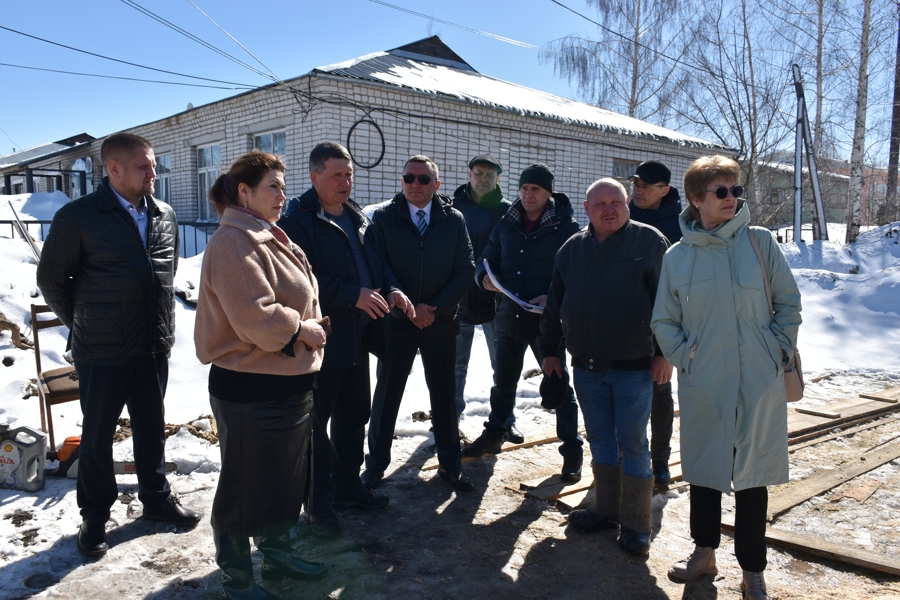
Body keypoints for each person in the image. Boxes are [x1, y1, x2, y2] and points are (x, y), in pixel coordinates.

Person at [36, 133, 200, 558]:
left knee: (151, 428)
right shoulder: (79, 216)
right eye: (145, 166)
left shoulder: (165, 213)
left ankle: (156, 498)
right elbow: (51, 280)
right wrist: (86, 323)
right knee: (97, 436)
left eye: (153, 164)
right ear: (114, 169)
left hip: (151, 345)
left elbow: (167, 269)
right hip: (102, 350)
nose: (154, 173)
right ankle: (94, 517)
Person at [651, 156, 801, 600]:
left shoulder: (760, 243)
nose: (732, 198)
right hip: (706, 379)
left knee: (753, 475)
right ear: (697, 199)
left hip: (758, 377)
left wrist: (775, 350)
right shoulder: (677, 257)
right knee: (705, 469)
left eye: (736, 190)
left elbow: (788, 304)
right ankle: (704, 554)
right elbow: (664, 319)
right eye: (721, 192)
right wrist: (687, 358)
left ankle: (753, 569)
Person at [195, 151, 328, 599]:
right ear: (244, 192)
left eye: (283, 186)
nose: (282, 195)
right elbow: (255, 316)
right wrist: (302, 329)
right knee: (244, 488)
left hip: (286, 382)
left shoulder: (267, 235)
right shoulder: (235, 242)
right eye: (273, 186)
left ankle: (276, 554)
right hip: (250, 387)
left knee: (281, 482)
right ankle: (237, 578)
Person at [540, 178, 669, 557]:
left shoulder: (649, 242)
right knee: (599, 438)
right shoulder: (571, 250)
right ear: (586, 207)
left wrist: (664, 353)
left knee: (633, 442)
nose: (608, 209)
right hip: (586, 367)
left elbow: (669, 304)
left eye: (616, 202)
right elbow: (554, 305)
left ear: (628, 204)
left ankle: (636, 524)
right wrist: (550, 351)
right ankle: (605, 508)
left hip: (634, 367)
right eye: (600, 204)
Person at [278, 142, 390, 538]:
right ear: (314, 178)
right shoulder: (297, 220)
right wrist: (352, 294)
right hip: (322, 342)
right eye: (336, 175)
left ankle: (348, 487)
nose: (346, 182)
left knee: (354, 418)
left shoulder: (358, 216)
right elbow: (301, 281)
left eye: (349, 174)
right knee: (316, 428)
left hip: (358, 341)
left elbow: (375, 266)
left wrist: (387, 289)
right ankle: (318, 505)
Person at [463, 164, 583, 481]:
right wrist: (483, 278)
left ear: (548, 193)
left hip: (547, 325)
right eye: (525, 188)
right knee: (503, 385)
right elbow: (485, 258)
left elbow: (577, 276)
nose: (529, 195)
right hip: (509, 318)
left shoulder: (565, 228)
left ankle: (572, 449)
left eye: (537, 190)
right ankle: (494, 434)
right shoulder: (507, 223)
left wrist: (551, 300)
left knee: (559, 387)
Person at [363, 155, 476, 492]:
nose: (415, 184)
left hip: (439, 323)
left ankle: (451, 466)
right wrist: (404, 304)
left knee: (444, 395)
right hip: (397, 320)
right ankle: (376, 467)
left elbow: (465, 269)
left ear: (436, 185)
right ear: (402, 181)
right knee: (387, 395)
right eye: (409, 178)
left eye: (423, 179)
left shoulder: (453, 220)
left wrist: (434, 308)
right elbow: (378, 265)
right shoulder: (384, 218)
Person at [451, 154, 516, 439]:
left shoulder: (508, 211)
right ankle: (449, 419)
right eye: (479, 173)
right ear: (470, 174)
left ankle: (505, 419)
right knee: (455, 366)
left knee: (502, 366)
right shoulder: (453, 209)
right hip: (459, 300)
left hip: (496, 302)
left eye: (490, 175)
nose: (484, 179)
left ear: (498, 179)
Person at [627, 160, 682, 486]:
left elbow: (680, 291)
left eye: (646, 186)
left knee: (659, 395)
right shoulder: (621, 215)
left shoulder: (679, 227)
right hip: (622, 325)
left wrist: (666, 349)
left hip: (660, 327)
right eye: (635, 183)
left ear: (665, 190)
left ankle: (660, 461)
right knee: (621, 393)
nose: (638, 190)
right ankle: (624, 456)